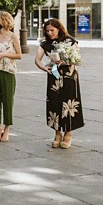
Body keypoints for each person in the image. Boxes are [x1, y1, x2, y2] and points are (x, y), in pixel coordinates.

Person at [36, 18, 82, 149]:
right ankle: (57, 133)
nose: (50, 33)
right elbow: (37, 60)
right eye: (47, 31)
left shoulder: (70, 41)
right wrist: (44, 68)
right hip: (54, 77)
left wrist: (65, 61)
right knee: (54, 103)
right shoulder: (45, 44)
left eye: (52, 30)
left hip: (69, 76)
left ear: (59, 29)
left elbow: (77, 59)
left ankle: (68, 134)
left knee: (69, 103)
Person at [0, 11, 21, 142]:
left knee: (8, 100)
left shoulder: (13, 37)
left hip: (8, 70)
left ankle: (7, 130)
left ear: (5, 21)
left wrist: (4, 55)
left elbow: (19, 55)